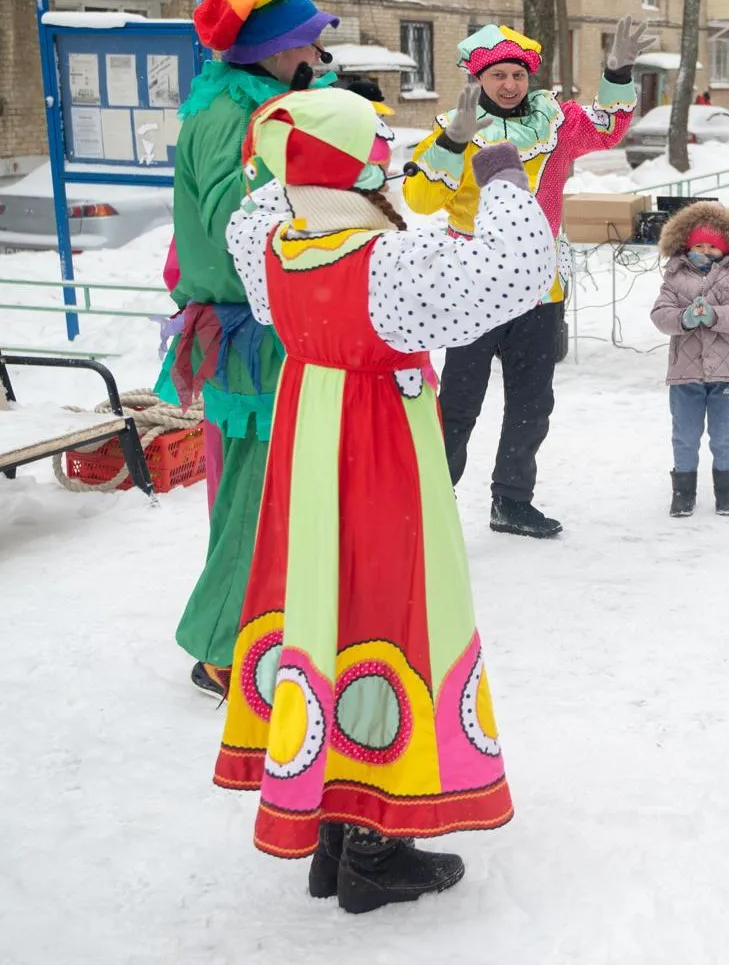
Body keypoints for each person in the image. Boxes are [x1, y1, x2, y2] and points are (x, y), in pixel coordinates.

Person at [214, 86, 556, 914]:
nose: (385, 168)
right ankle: (374, 845)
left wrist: (312, 157)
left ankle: (332, 826)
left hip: (310, 449)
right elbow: (517, 268)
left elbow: (269, 199)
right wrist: (503, 174)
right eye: (375, 156)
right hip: (378, 455)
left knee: (324, 611)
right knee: (388, 612)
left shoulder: (277, 245)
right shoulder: (389, 266)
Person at [163, 0, 340, 699]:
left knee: (276, 490)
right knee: (251, 495)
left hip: (273, 323)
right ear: (271, 49)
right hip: (247, 331)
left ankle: (267, 625)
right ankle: (220, 649)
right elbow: (234, 223)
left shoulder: (256, 104)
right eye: (308, 43)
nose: (319, 56)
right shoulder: (232, 116)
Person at [403, 18, 648, 538]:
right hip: (472, 287)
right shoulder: (456, 127)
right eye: (499, 75)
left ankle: (511, 502)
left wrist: (617, 72)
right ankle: (430, 503)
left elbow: (608, 126)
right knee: (459, 404)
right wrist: (452, 143)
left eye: (518, 74)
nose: (510, 84)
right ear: (478, 79)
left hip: (539, 288)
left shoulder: (555, 123)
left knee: (532, 404)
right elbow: (420, 200)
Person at [649, 200, 729, 518]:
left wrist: (715, 316)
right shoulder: (675, 276)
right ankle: (683, 492)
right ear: (688, 245)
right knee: (685, 435)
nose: (706, 251)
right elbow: (660, 314)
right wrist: (683, 319)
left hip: (727, 373)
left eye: (712, 246)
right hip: (685, 373)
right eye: (699, 245)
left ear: (725, 247)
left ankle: (726, 492)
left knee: (724, 434)